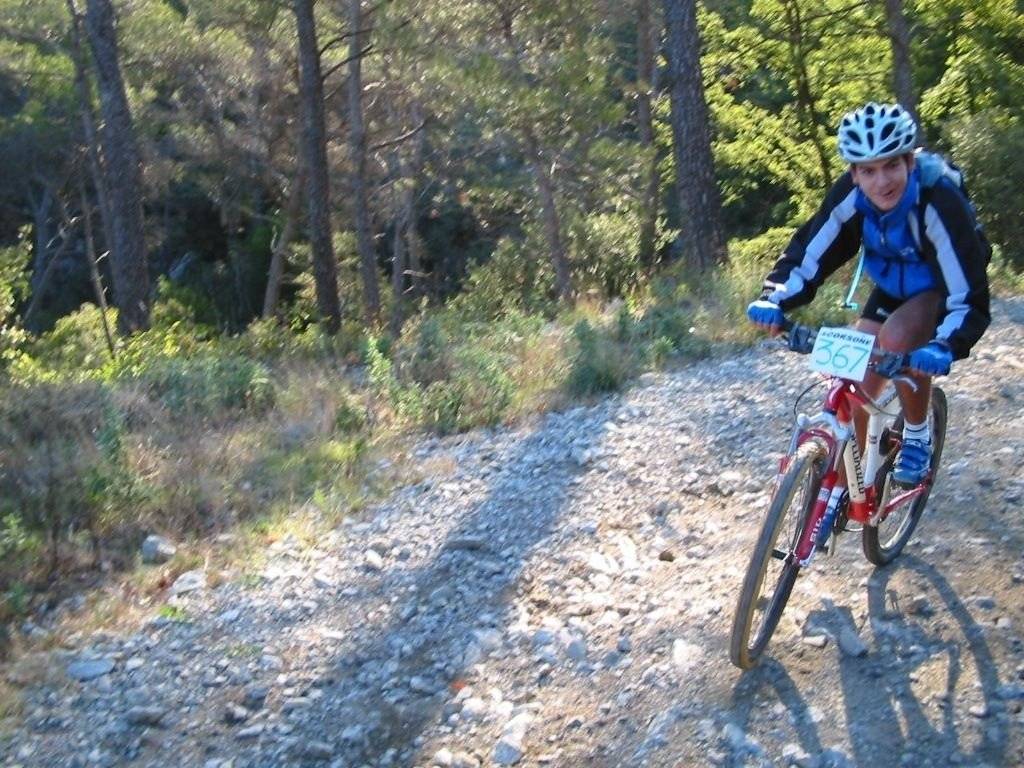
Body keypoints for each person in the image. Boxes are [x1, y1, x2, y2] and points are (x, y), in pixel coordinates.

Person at [747, 102, 990, 485]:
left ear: (909, 162)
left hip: (939, 286)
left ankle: (916, 434)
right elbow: (812, 250)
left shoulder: (939, 200)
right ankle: (853, 487)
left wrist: (945, 344)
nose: (882, 182)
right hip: (892, 285)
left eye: (891, 165)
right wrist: (774, 297)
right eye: (869, 171)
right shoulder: (851, 195)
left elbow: (966, 291)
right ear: (854, 174)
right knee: (853, 385)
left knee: (897, 339)